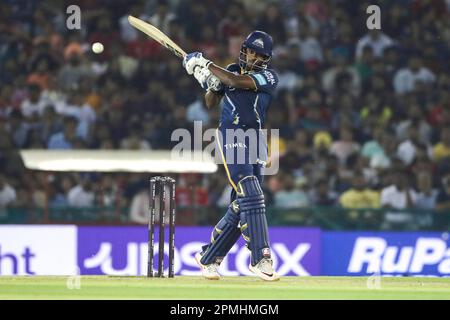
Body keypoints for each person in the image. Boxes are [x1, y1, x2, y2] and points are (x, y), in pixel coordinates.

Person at [182, 30, 280, 281]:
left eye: (260, 55)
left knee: (242, 204)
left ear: (266, 59)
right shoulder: (229, 70)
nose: (254, 58)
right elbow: (210, 102)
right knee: (251, 192)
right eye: (251, 52)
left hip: (256, 140)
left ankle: (208, 258)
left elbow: (236, 83)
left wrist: (206, 65)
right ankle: (261, 258)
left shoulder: (268, 76)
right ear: (244, 50)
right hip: (232, 137)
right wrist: (212, 84)